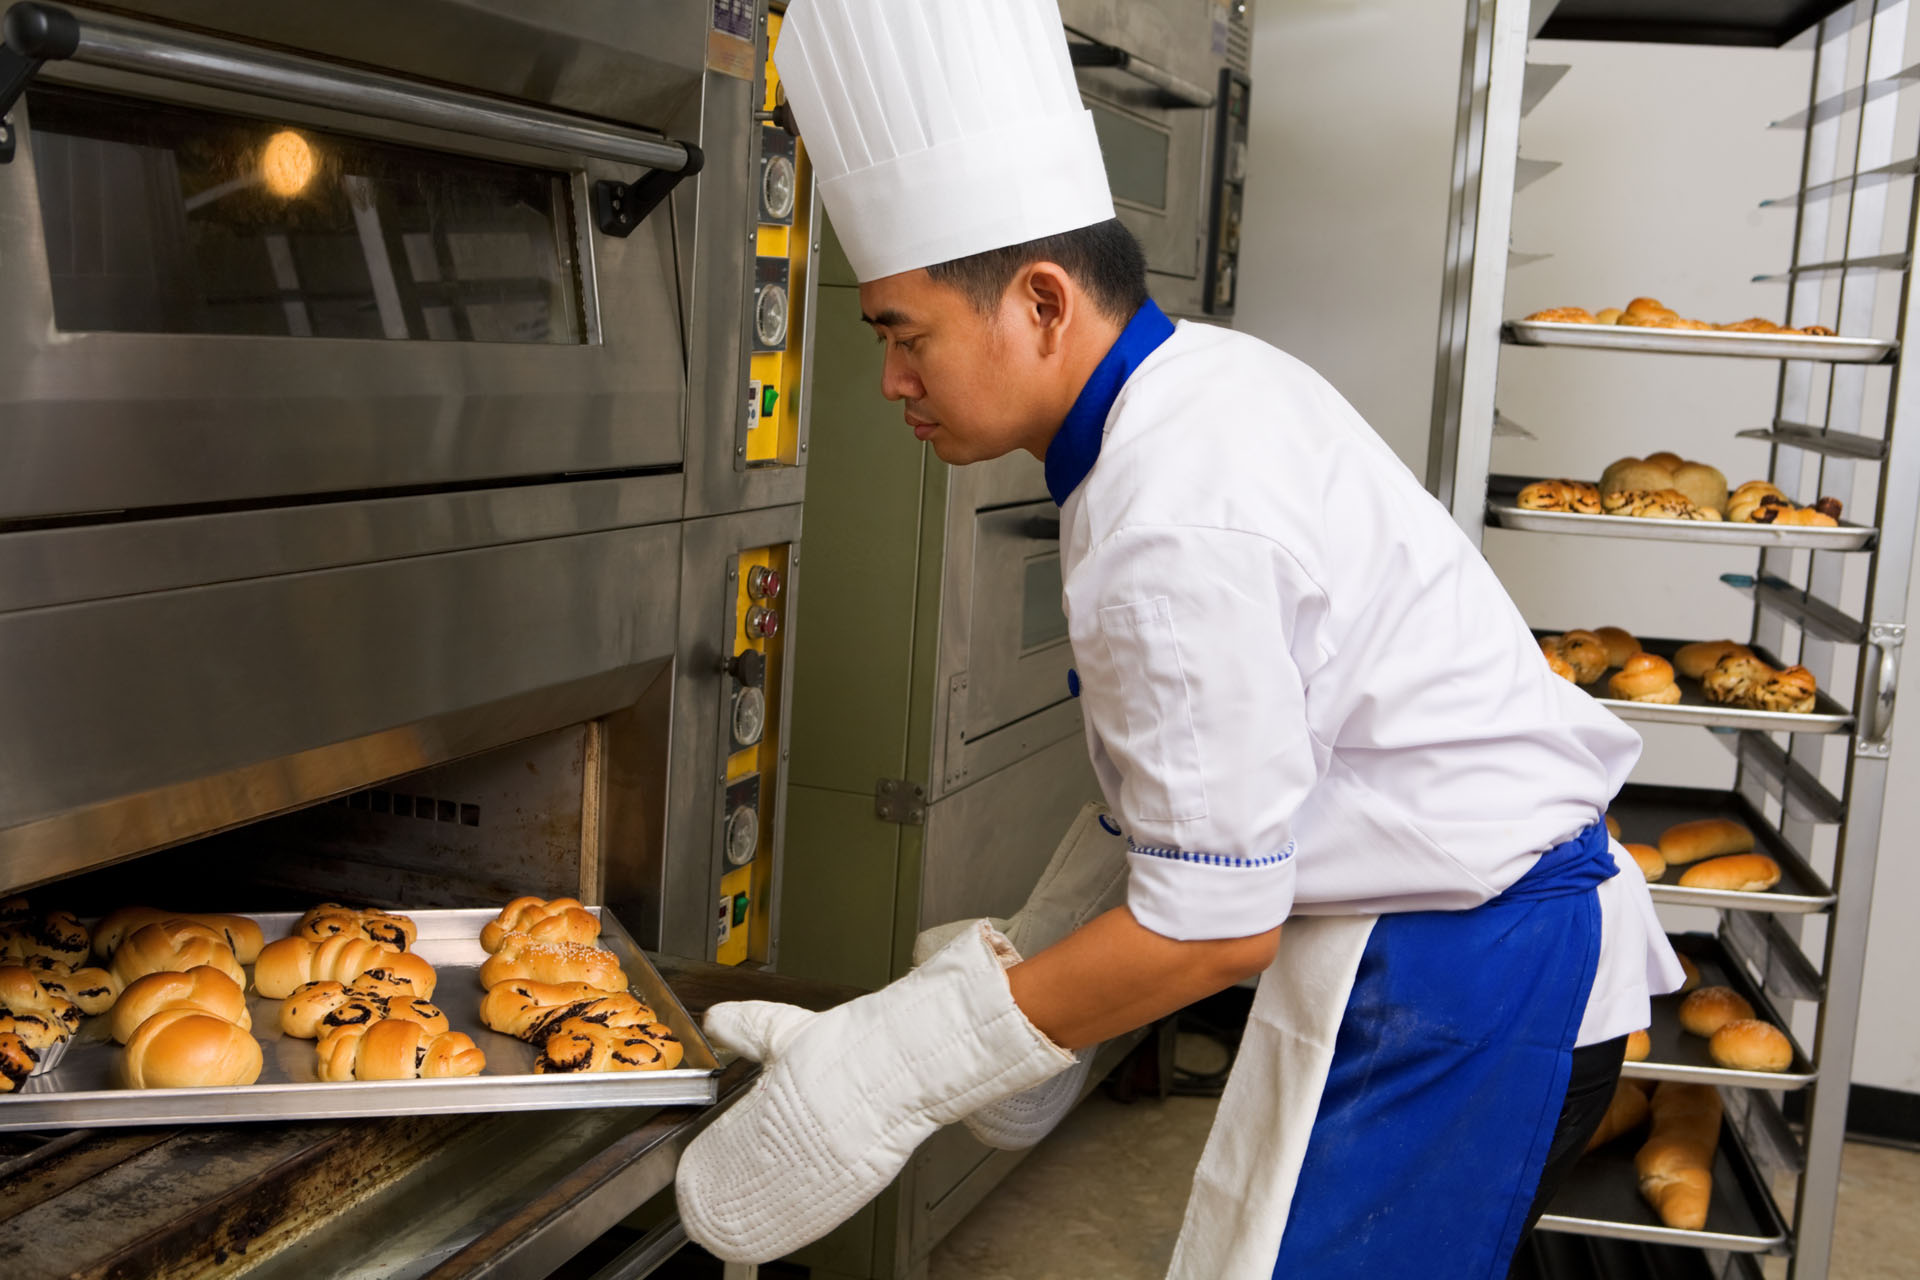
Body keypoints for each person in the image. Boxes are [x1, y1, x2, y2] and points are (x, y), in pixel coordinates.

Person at [676, 1, 1683, 1274]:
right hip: (1454, 943)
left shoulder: (1173, 515)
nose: (890, 381)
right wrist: (1035, 968)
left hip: (1472, 977)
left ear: (1041, 302)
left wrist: (890, 1076)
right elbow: (1203, 786)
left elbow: (1213, 925)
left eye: (903, 333)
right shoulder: (1188, 394)